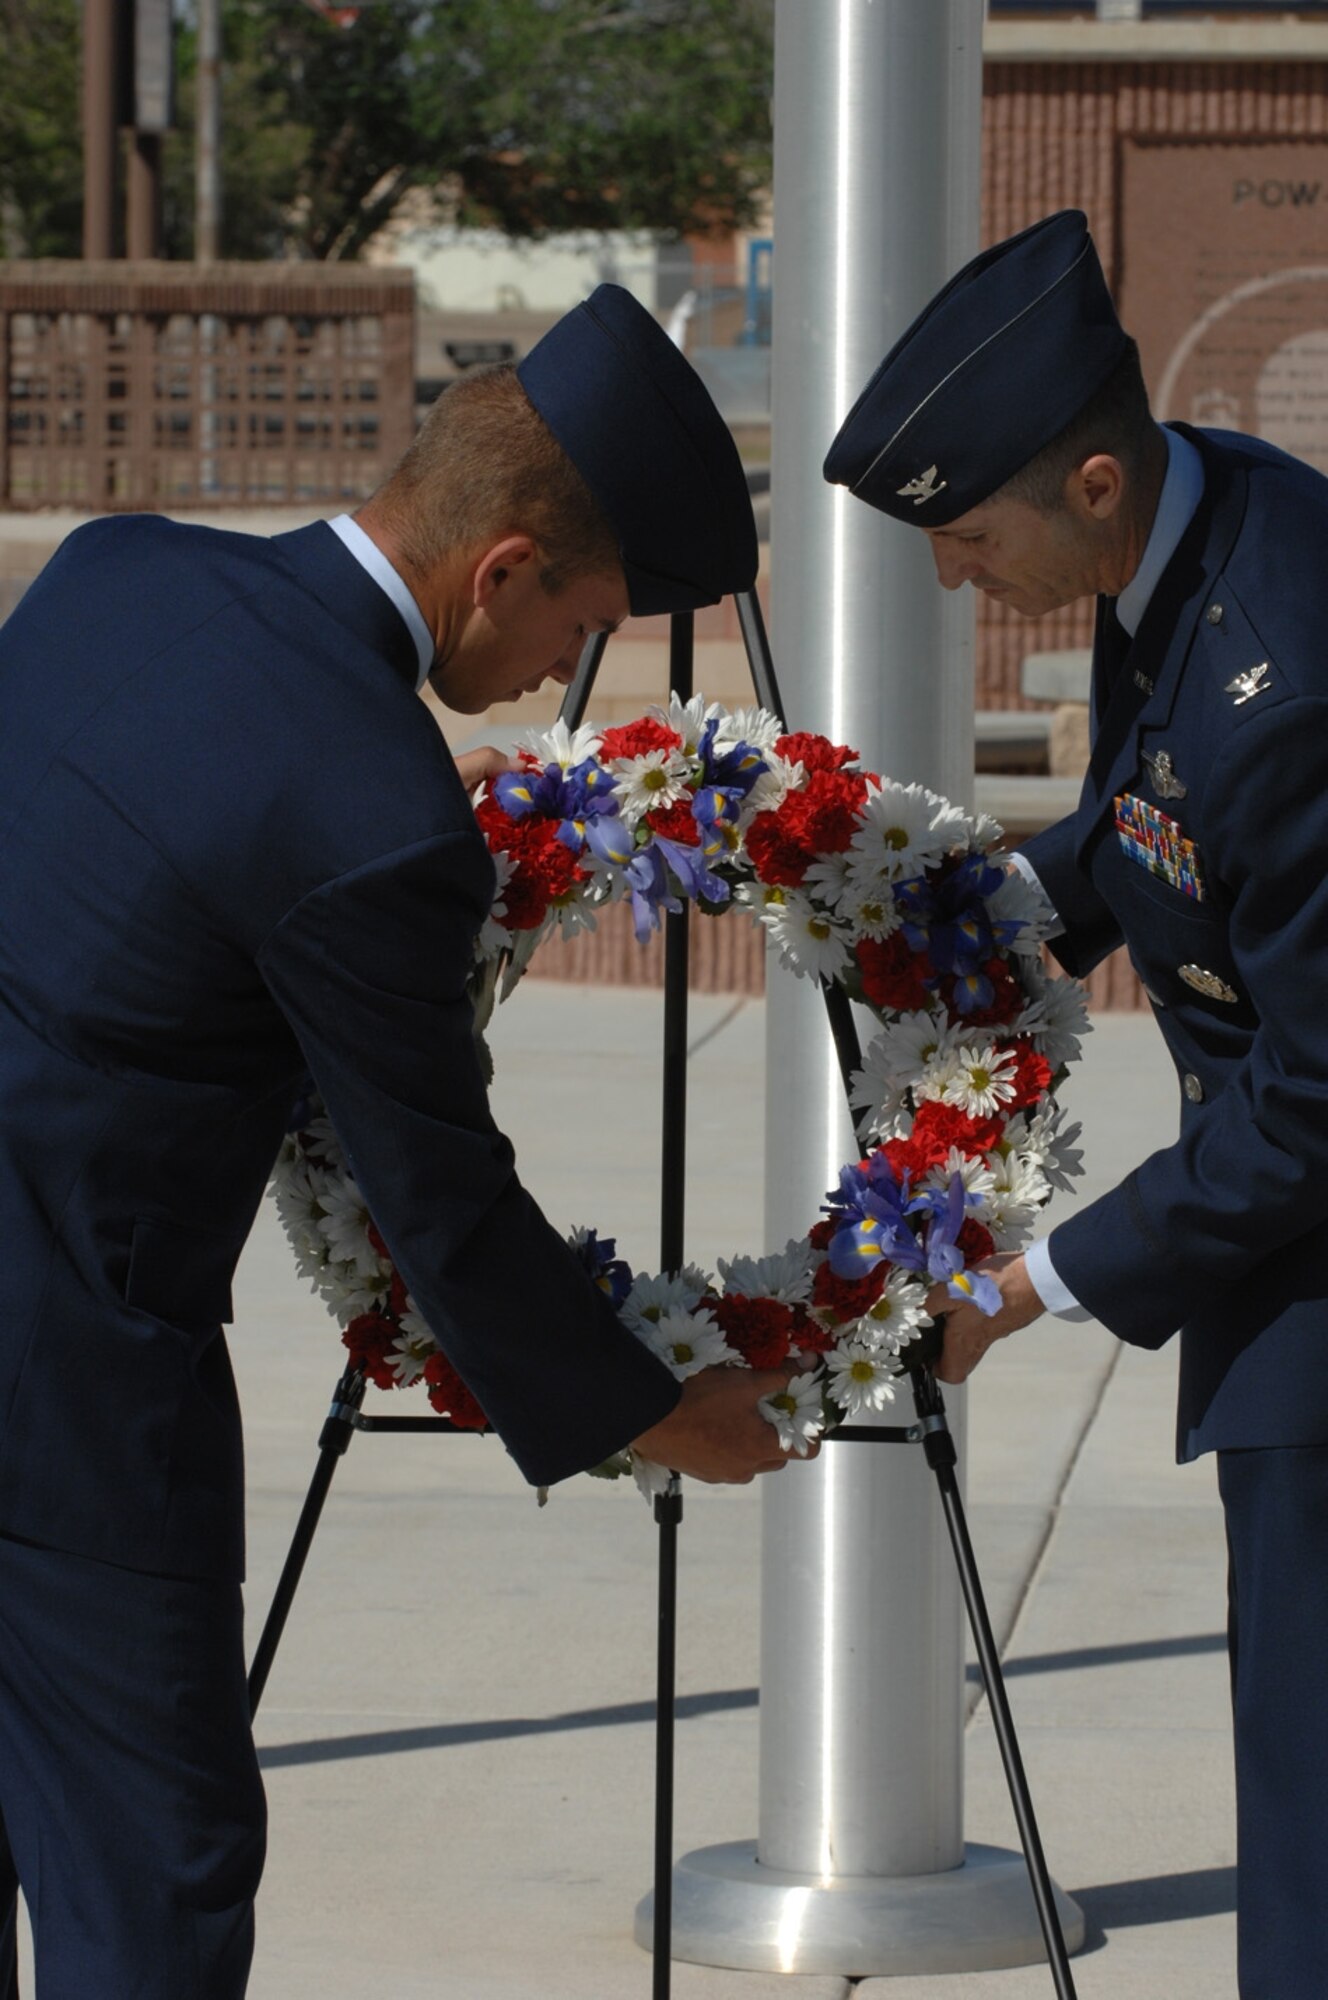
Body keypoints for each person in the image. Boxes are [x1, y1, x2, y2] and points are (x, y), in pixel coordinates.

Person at [0, 284, 805, 2000]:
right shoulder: (373, 806)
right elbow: (438, 1187)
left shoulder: (111, 567)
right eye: (573, 629)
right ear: (501, 567)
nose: (543, 688)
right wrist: (654, 1407)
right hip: (60, 1395)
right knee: (156, 1876)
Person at [825, 206, 1328, 1996]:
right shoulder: (1193, 535)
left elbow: (1314, 1107)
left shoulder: (1291, 671)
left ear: (1094, 481)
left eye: (970, 536)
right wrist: (946, 914)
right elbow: (1148, 825)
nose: (958, 580)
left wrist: (1019, 1293)